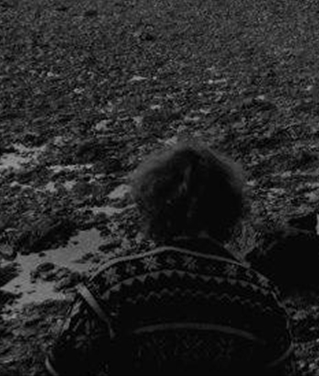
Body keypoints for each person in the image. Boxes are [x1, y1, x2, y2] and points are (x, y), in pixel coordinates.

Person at [45, 142, 296, 375]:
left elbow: (60, 368)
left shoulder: (113, 285)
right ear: (229, 212)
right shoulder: (259, 297)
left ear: (152, 208)